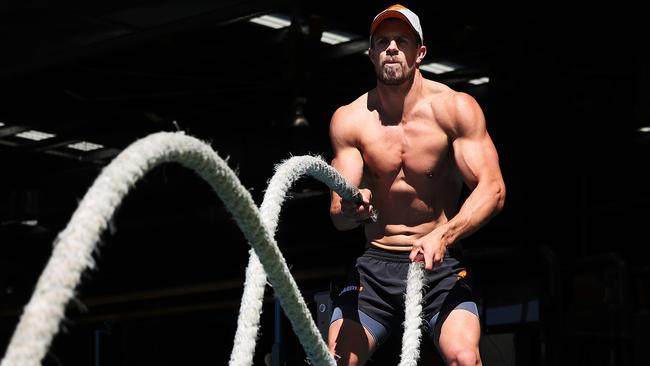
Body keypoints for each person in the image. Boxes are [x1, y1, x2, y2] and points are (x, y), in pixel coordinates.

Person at [327, 4, 505, 366]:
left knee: (465, 358)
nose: (392, 48)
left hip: (438, 264)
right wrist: (351, 208)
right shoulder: (350, 120)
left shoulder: (455, 109)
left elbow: (493, 189)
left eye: (402, 41)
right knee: (334, 361)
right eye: (383, 42)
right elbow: (338, 216)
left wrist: (445, 235)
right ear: (371, 53)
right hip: (374, 268)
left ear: (419, 52)